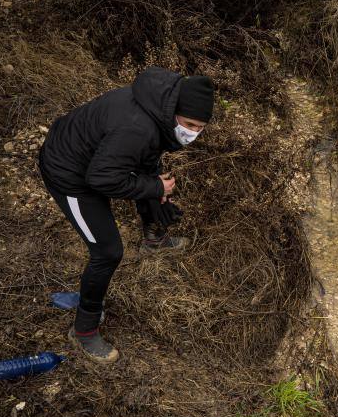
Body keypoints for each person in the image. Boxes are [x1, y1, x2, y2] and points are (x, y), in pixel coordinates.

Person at [38, 67, 215, 364]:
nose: (193, 134)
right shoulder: (137, 128)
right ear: (174, 113)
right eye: (189, 124)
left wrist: (153, 183)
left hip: (98, 157)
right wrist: (152, 185)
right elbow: (101, 179)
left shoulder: (160, 104)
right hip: (70, 173)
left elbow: (144, 158)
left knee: (152, 175)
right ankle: (84, 330)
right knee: (107, 251)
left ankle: (154, 238)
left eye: (200, 127)